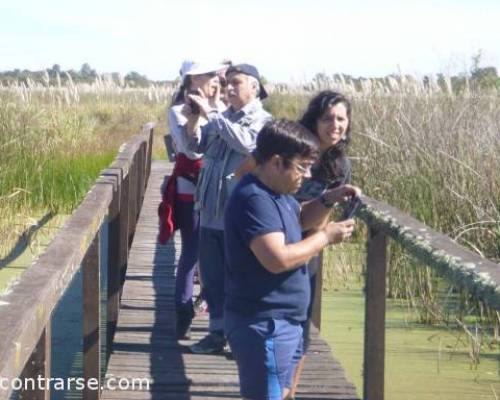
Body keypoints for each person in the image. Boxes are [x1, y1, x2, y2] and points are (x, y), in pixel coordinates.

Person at [224, 119, 360, 400]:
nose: (307, 175)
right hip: (264, 324)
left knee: (284, 393)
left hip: (286, 322)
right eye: (302, 167)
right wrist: (325, 237)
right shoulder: (254, 198)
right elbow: (277, 259)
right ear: (276, 162)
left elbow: (298, 218)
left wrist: (328, 199)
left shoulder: (278, 193)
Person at [184, 63, 273, 354]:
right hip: (210, 210)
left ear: (254, 87)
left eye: (236, 83)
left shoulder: (263, 121)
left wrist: (212, 114)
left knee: (240, 278)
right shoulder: (222, 116)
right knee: (211, 277)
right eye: (227, 84)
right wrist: (194, 120)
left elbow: (246, 143)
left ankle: (242, 337)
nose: (229, 89)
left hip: (238, 216)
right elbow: (195, 147)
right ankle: (216, 333)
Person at [288, 90, 353, 397]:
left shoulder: (341, 166)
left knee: (301, 321)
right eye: (328, 118)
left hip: (310, 244)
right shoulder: (294, 150)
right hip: (274, 240)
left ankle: (290, 389)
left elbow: (325, 217)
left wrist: (321, 239)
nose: (335, 125)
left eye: (341, 119)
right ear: (314, 120)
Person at [158, 60, 224, 340]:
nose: (214, 79)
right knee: (192, 253)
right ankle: (183, 311)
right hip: (190, 191)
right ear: (192, 79)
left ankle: (206, 304)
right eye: (208, 75)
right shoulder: (177, 111)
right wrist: (198, 115)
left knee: (218, 256)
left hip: (220, 192)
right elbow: (190, 150)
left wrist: (216, 104)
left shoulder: (221, 108)